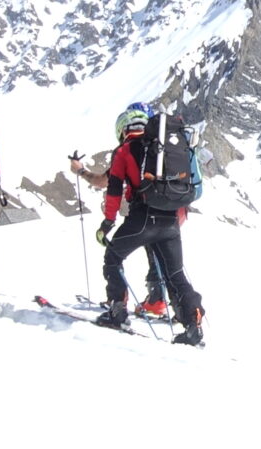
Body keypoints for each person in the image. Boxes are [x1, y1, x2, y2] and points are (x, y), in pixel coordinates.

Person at [96, 102, 205, 348]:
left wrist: (107, 223)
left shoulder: (124, 151)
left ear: (123, 129)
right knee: (175, 274)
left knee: (113, 258)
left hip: (142, 218)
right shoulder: (158, 147)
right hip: (170, 221)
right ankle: (192, 323)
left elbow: (114, 191)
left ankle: (118, 311)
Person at [69, 147, 172, 316]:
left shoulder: (130, 149)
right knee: (161, 254)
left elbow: (104, 182)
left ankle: (118, 304)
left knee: (113, 255)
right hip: (172, 211)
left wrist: (80, 170)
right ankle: (164, 303)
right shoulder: (162, 148)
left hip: (143, 215)